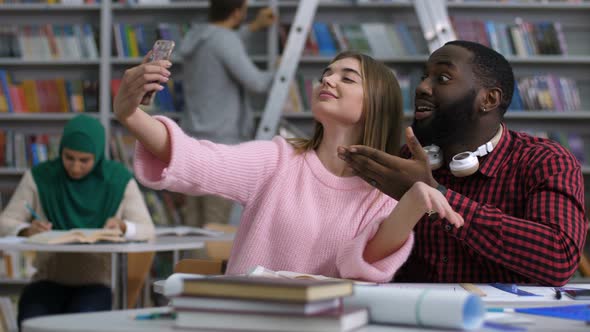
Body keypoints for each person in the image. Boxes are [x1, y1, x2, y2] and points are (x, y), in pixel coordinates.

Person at [113, 50, 464, 283]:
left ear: (378, 103)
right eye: (327, 74)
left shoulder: (383, 192)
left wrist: (415, 201)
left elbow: (361, 267)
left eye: (347, 77)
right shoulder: (278, 160)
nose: (326, 80)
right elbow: (198, 160)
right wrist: (130, 115)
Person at [337, 40, 588, 286]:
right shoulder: (406, 163)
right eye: (424, 77)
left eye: (442, 78)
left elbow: (559, 257)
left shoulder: (545, 161)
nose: (422, 87)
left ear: (488, 99)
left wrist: (436, 195)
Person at [0, 115, 155, 327]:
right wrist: (26, 230)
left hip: (95, 283)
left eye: (84, 160)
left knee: (82, 322)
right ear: (60, 150)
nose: (75, 167)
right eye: (68, 157)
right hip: (47, 279)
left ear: (98, 155)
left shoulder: (118, 180)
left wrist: (122, 226)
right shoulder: (40, 177)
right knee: (31, 319)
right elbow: (5, 222)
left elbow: (147, 230)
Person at [178, 0, 277, 227]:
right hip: (221, 145)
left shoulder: (197, 36)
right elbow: (257, 83)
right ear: (237, 13)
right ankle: (205, 265)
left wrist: (252, 28)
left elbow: (222, 48)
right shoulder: (225, 40)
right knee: (216, 225)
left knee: (194, 224)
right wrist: (281, 69)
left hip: (193, 141)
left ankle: (189, 265)